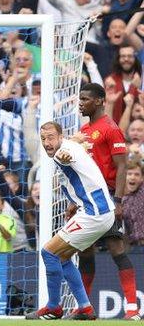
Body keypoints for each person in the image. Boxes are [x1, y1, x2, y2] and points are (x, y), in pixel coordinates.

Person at [26, 121, 115, 320]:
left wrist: (66, 155)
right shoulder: (70, 144)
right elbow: (72, 148)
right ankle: (84, 308)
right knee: (63, 257)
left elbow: (67, 156)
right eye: (43, 139)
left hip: (94, 213)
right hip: (99, 212)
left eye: (50, 138)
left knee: (48, 252)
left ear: (60, 137)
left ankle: (53, 307)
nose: (47, 142)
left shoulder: (63, 153)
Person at [76, 82, 140, 320]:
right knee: (85, 252)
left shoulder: (111, 128)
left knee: (116, 249)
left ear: (100, 101)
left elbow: (122, 165)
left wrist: (118, 200)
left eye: (85, 99)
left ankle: (132, 309)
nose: (80, 103)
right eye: (80, 99)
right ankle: (84, 308)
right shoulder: (83, 130)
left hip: (108, 196)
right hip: (87, 199)